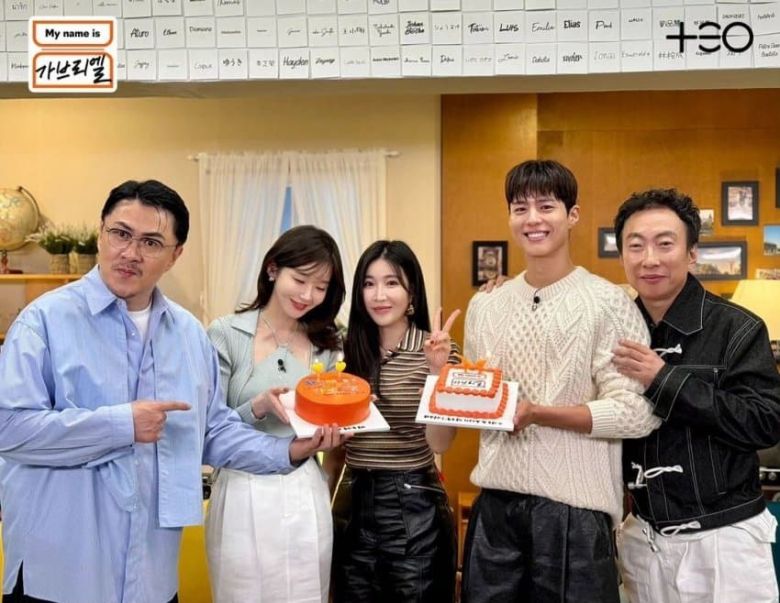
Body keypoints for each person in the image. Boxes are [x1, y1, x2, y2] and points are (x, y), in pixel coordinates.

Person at [0, 180, 342, 603]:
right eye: (120, 233)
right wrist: (122, 424)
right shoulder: (43, 322)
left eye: (151, 242)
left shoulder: (189, 335)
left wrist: (291, 450)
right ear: (101, 232)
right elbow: (10, 428)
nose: (130, 252)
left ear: (175, 254)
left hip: (150, 577)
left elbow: (212, 431)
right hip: (60, 576)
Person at [427, 159, 661, 603]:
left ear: (572, 215)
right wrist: (443, 381)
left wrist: (538, 413)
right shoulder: (486, 306)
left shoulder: (609, 303)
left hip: (576, 516)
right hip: (494, 511)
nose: (532, 219)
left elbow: (636, 413)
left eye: (546, 206)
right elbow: (473, 407)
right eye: (520, 208)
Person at [612, 188, 780, 602]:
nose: (649, 259)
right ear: (623, 255)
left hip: (726, 539)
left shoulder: (738, 327)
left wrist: (665, 379)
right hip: (643, 537)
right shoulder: (613, 328)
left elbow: (765, 423)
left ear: (691, 254)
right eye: (636, 245)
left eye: (664, 244)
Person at [205, 225, 347, 603]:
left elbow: (327, 418)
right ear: (272, 270)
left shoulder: (327, 345)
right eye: (299, 280)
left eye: (321, 287)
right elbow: (207, 428)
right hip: (240, 489)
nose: (308, 295)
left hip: (304, 489)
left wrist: (339, 428)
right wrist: (258, 406)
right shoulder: (226, 333)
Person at [327, 240, 459, 602]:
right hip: (352, 505)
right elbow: (336, 452)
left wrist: (436, 372)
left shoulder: (438, 349)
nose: (379, 295)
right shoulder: (344, 351)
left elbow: (441, 443)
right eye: (369, 284)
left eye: (391, 283)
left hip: (415, 509)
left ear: (411, 291)